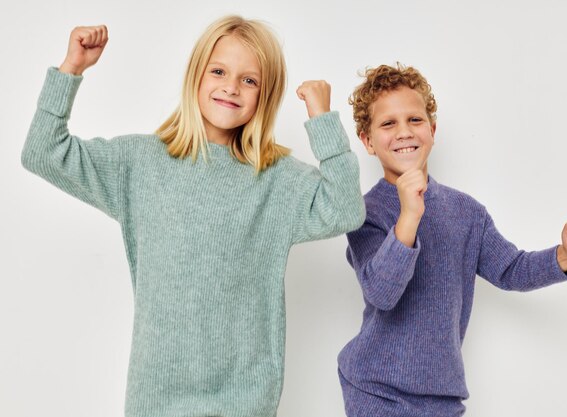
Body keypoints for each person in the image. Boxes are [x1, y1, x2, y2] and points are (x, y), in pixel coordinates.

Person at [21, 17, 365, 417]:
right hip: (156, 403)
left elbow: (346, 208)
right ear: (196, 76)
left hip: (245, 404)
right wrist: (71, 69)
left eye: (249, 80)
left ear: (265, 96)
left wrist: (322, 120)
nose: (231, 87)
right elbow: (42, 152)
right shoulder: (139, 163)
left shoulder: (278, 181)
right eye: (218, 71)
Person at [337, 63, 567, 417]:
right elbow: (382, 294)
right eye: (388, 123)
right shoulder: (365, 213)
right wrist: (410, 215)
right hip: (376, 394)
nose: (404, 132)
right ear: (368, 141)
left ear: (432, 129)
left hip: (443, 400)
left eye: (415, 120)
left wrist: (565, 256)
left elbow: (512, 270)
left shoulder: (466, 212)